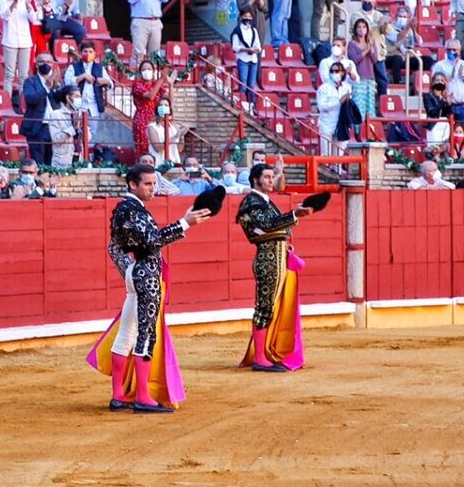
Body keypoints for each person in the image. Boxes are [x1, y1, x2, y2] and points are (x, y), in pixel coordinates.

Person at [87, 164, 210, 413]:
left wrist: (129, 272)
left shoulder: (126, 209)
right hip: (148, 276)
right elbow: (153, 240)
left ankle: (119, 395)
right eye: (148, 184)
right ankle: (143, 397)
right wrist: (184, 224)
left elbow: (114, 247)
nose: (153, 189)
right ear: (133, 184)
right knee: (146, 334)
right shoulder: (133, 210)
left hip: (138, 276)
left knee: (127, 335)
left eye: (154, 184)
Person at [235, 163, 313, 372]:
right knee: (264, 307)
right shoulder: (252, 202)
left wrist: (285, 238)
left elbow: (275, 227)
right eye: (267, 177)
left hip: (277, 257)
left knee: (269, 307)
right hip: (268, 259)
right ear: (255, 180)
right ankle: (260, 358)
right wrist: (294, 214)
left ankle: (264, 353)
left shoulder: (263, 201)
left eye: (272, 177)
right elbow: (268, 225)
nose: (271, 180)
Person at [125, 0, 170, 66]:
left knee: (154, 54)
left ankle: (153, 77)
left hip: (155, 21)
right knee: (138, 53)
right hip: (140, 21)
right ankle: (135, 77)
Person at [131, 59, 170, 156]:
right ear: (140, 72)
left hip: (156, 119)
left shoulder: (155, 84)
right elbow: (150, 96)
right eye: (144, 69)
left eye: (149, 69)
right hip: (142, 120)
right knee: (144, 148)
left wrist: (171, 84)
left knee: (158, 147)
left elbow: (168, 99)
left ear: (153, 71)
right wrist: (161, 79)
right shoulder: (137, 85)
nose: (147, 71)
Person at [316, 60, 352, 155]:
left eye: (337, 71)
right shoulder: (324, 88)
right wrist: (339, 101)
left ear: (343, 72)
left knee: (338, 158)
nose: (334, 73)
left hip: (342, 125)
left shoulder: (347, 88)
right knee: (325, 155)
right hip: (327, 125)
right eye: (332, 71)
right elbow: (322, 107)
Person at [231, 9, 261, 110]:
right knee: (243, 84)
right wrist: (246, 49)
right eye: (245, 16)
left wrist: (254, 50)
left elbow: (258, 46)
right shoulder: (237, 31)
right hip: (243, 59)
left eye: (249, 16)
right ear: (241, 17)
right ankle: (243, 104)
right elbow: (235, 47)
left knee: (251, 85)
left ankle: (251, 105)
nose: (247, 18)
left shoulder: (254, 31)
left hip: (253, 60)